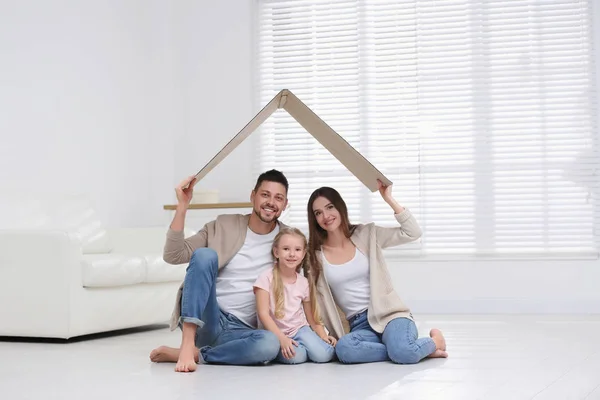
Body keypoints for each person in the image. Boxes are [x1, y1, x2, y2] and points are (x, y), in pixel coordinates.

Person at [149, 169, 289, 372]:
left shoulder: (288, 240)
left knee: (268, 344)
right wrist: (182, 206)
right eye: (265, 194)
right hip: (208, 318)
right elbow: (174, 254)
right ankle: (187, 344)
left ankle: (198, 355)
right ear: (253, 196)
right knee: (205, 255)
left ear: (285, 204)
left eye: (278, 198)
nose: (271, 202)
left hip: (242, 330)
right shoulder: (223, 224)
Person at [305, 180, 448, 364]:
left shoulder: (366, 234)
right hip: (358, 326)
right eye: (318, 213)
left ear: (340, 207)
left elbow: (413, 232)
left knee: (402, 352)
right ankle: (406, 349)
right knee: (344, 349)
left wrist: (389, 199)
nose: (326, 215)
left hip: (390, 316)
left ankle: (434, 341)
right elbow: (306, 295)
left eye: (330, 207)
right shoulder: (314, 256)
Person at [253, 227, 336, 364]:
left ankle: (308, 347)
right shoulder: (265, 278)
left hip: (300, 329)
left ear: (303, 254)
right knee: (297, 357)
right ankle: (292, 349)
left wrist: (323, 335)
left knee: (324, 355)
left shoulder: (303, 283)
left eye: (297, 250)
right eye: (286, 249)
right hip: (276, 332)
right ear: (276, 252)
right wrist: (282, 339)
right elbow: (263, 315)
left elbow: (311, 319)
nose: (292, 254)